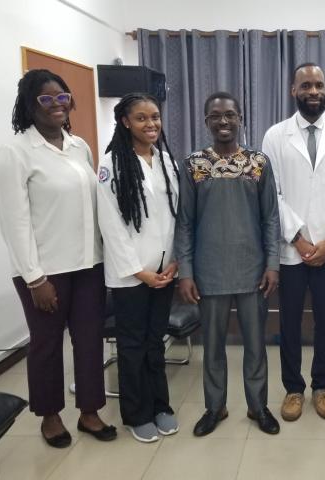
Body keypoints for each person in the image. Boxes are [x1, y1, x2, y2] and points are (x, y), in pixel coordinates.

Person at [0, 69, 116, 448]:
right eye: (47, 99)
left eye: (63, 97)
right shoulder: (14, 153)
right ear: (30, 105)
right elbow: (14, 222)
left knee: (89, 339)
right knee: (46, 344)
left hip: (87, 264)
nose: (58, 105)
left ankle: (90, 411)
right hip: (45, 271)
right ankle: (49, 415)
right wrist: (34, 278)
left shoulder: (80, 147)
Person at [175, 92, 281, 436]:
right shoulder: (193, 164)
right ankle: (214, 407)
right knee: (214, 348)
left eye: (230, 115)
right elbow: (185, 222)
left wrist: (272, 264)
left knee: (255, 346)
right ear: (206, 121)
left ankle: (257, 406)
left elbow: (270, 219)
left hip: (252, 271)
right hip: (209, 273)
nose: (224, 121)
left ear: (241, 119)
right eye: (216, 116)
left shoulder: (258, 162)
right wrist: (187, 272)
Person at [261, 63, 325, 422]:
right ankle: (293, 389)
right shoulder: (275, 135)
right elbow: (274, 193)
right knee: (289, 321)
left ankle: (321, 386)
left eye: (318, 84)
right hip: (292, 249)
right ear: (293, 91)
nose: (313, 91)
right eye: (305, 85)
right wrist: (300, 240)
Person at [97, 93, 180, 443]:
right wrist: (138, 270)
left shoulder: (165, 161)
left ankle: (160, 405)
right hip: (131, 276)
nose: (151, 124)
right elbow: (111, 226)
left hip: (164, 271)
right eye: (142, 118)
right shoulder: (112, 165)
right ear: (125, 122)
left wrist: (174, 260)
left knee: (155, 343)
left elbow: (175, 216)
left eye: (156, 117)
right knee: (131, 346)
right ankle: (136, 413)